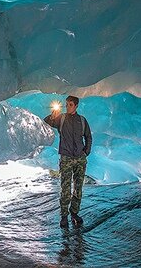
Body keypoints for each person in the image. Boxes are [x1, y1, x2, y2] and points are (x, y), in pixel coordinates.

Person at [44, 95, 92, 229]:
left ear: (76, 106)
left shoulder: (82, 120)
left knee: (78, 188)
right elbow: (46, 123)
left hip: (79, 159)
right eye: (66, 104)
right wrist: (53, 115)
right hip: (66, 158)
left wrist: (85, 152)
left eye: (70, 104)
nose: (67, 106)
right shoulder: (61, 118)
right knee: (65, 188)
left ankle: (74, 213)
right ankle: (64, 216)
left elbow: (88, 137)